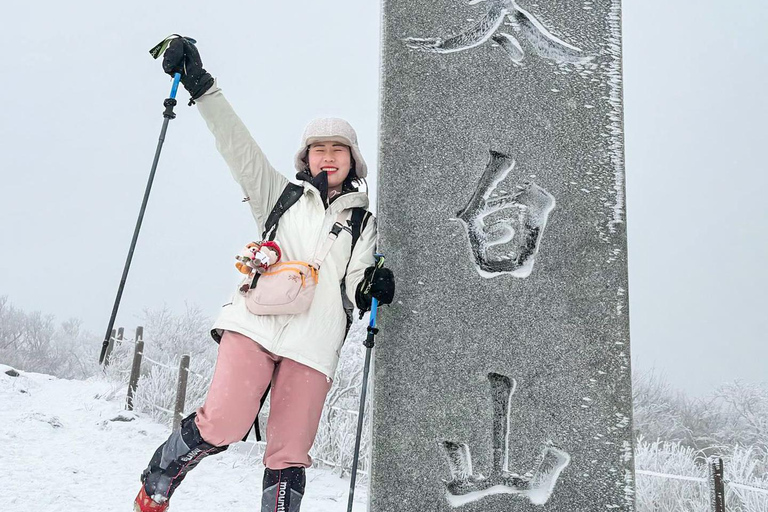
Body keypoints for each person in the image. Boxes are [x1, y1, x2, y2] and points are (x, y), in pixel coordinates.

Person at [133, 36, 395, 512]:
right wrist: (201, 85)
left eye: (339, 148)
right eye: (319, 149)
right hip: (255, 324)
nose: (328, 156)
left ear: (353, 160)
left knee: (289, 451)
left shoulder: (365, 224)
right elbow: (237, 146)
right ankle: (161, 475)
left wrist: (373, 286)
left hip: (314, 342)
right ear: (306, 158)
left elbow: (358, 284)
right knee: (225, 423)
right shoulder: (281, 196)